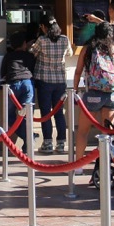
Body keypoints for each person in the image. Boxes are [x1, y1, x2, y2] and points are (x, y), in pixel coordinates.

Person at [71, 22, 114, 175]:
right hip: (112, 95)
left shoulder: (88, 49)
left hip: (93, 95)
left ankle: (79, 166)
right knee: (107, 133)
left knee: (83, 131)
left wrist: (75, 90)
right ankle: (105, 164)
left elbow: (78, 71)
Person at [30, 17, 70, 154]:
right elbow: (69, 53)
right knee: (59, 112)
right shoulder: (65, 39)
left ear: (44, 27)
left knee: (45, 112)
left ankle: (47, 142)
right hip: (60, 81)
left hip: (44, 80)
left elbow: (32, 53)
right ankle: (61, 143)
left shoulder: (42, 40)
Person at [0, 33, 36, 152]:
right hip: (27, 83)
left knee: (9, 117)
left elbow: (2, 73)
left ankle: (28, 138)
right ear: (24, 44)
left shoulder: (8, 56)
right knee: (26, 115)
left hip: (12, 86)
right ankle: (29, 140)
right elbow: (33, 70)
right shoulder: (29, 56)